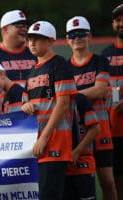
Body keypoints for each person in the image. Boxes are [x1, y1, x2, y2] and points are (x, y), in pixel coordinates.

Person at [21, 21, 78, 200]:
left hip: (54, 141)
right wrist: (25, 105)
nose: (32, 43)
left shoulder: (59, 64)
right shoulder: (31, 71)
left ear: (51, 41)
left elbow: (63, 104)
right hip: (36, 143)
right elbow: (25, 101)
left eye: (38, 39)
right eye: (30, 38)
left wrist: (44, 137)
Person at [66, 16, 117, 200]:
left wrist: (71, 96)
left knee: (107, 182)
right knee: (80, 185)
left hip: (101, 130)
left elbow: (101, 90)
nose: (77, 38)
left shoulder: (100, 61)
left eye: (81, 34)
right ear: (67, 39)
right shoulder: (65, 67)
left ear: (90, 36)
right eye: (72, 35)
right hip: (77, 134)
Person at [0, 9, 37, 88]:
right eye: (19, 26)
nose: (24, 29)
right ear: (5, 29)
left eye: (25, 26)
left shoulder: (35, 53)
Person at [101, 4, 123, 200]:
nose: (121, 23)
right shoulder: (105, 54)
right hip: (112, 128)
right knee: (115, 179)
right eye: (117, 20)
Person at [64, 93, 100, 200]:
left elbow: (95, 128)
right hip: (62, 168)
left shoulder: (80, 99)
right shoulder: (51, 102)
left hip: (83, 164)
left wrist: (76, 152)